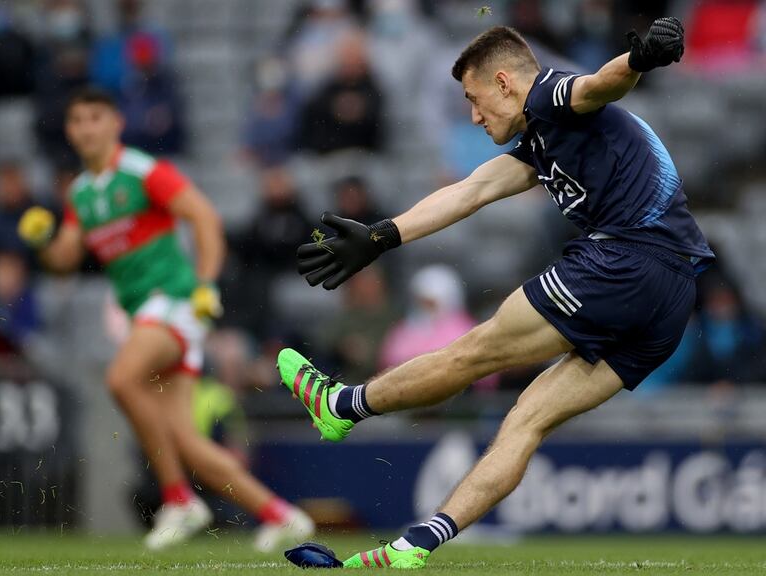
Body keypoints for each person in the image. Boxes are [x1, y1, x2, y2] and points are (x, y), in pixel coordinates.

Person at [280, 20, 710, 568]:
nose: (474, 116)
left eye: (474, 99)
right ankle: (415, 547)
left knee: (474, 351)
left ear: (505, 82)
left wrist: (638, 58)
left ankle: (342, 404)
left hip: (626, 260)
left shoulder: (550, 96)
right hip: (672, 297)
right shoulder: (540, 142)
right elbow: (470, 191)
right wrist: (382, 235)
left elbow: (599, 84)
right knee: (525, 420)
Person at [17, 88, 314, 552]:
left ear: (115, 123)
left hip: (173, 302)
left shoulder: (142, 171)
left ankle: (178, 500)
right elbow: (65, 259)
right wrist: (42, 241)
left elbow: (204, 216)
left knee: (120, 380)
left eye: (95, 117)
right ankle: (283, 515)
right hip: (145, 314)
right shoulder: (80, 192)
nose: (86, 127)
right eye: (77, 120)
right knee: (185, 440)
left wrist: (206, 283)